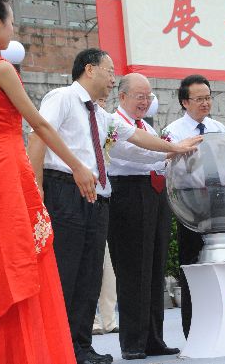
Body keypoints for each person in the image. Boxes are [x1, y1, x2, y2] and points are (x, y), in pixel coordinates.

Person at [0, 0, 96, 364]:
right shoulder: (0, 67)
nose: (13, 28)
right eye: (12, 22)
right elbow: (40, 125)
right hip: (9, 170)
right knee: (23, 259)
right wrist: (78, 166)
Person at [27, 50, 199, 364]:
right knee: (68, 272)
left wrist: (175, 147)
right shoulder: (62, 98)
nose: (111, 79)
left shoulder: (101, 115)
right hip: (65, 190)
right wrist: (35, 187)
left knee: (90, 276)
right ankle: (60, 347)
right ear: (89, 69)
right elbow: (38, 134)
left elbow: (136, 137)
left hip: (97, 197)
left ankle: (81, 346)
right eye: (109, 71)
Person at [162, 74, 225, 338]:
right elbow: (169, 171)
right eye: (199, 99)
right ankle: (195, 332)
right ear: (185, 102)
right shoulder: (173, 132)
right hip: (193, 202)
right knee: (194, 265)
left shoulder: (219, 128)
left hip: (224, 201)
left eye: (208, 98)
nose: (205, 103)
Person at [106, 73, 191, 360]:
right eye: (140, 96)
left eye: (149, 96)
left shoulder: (147, 127)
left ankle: (154, 338)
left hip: (155, 195)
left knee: (155, 267)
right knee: (133, 269)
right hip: (128, 194)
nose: (145, 102)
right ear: (122, 97)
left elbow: (157, 158)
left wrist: (172, 155)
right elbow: (132, 154)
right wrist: (171, 151)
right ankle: (133, 342)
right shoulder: (113, 123)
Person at [92, 97, 119, 337]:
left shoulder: (107, 124)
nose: (101, 104)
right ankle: (91, 319)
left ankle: (109, 319)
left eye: (103, 101)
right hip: (82, 194)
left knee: (108, 268)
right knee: (90, 266)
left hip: (105, 195)